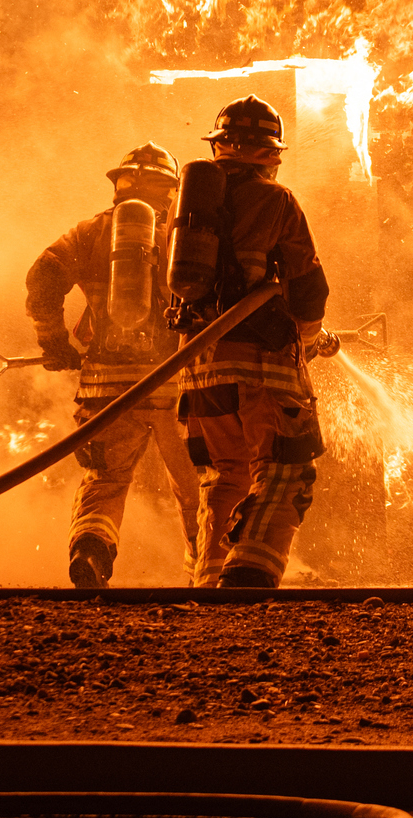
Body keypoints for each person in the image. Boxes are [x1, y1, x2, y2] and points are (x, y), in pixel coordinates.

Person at [175, 96, 338, 589]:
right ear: (270, 153)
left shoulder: (181, 212)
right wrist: (310, 338)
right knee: (288, 469)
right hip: (264, 365)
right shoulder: (276, 201)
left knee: (225, 476)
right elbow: (309, 290)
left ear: (220, 146)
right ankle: (249, 572)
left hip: (199, 368)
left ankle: (210, 579)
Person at [27, 143, 199, 588]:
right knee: (198, 486)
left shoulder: (87, 234)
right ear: (171, 190)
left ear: (119, 185)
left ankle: (91, 552)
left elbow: (44, 275)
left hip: (106, 385)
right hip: (175, 382)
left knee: (105, 480)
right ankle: (207, 573)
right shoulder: (185, 237)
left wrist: (54, 340)